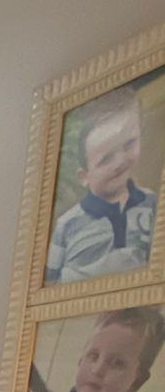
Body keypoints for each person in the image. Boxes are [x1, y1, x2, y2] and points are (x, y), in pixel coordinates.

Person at [45, 85, 158, 283]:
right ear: (84, 177)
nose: (120, 161)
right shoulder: (67, 224)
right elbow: (49, 282)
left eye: (129, 144)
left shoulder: (152, 203)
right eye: (106, 159)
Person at [31, 306, 165, 392]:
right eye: (93, 356)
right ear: (81, 360)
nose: (97, 370)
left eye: (117, 363)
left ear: (136, 382)